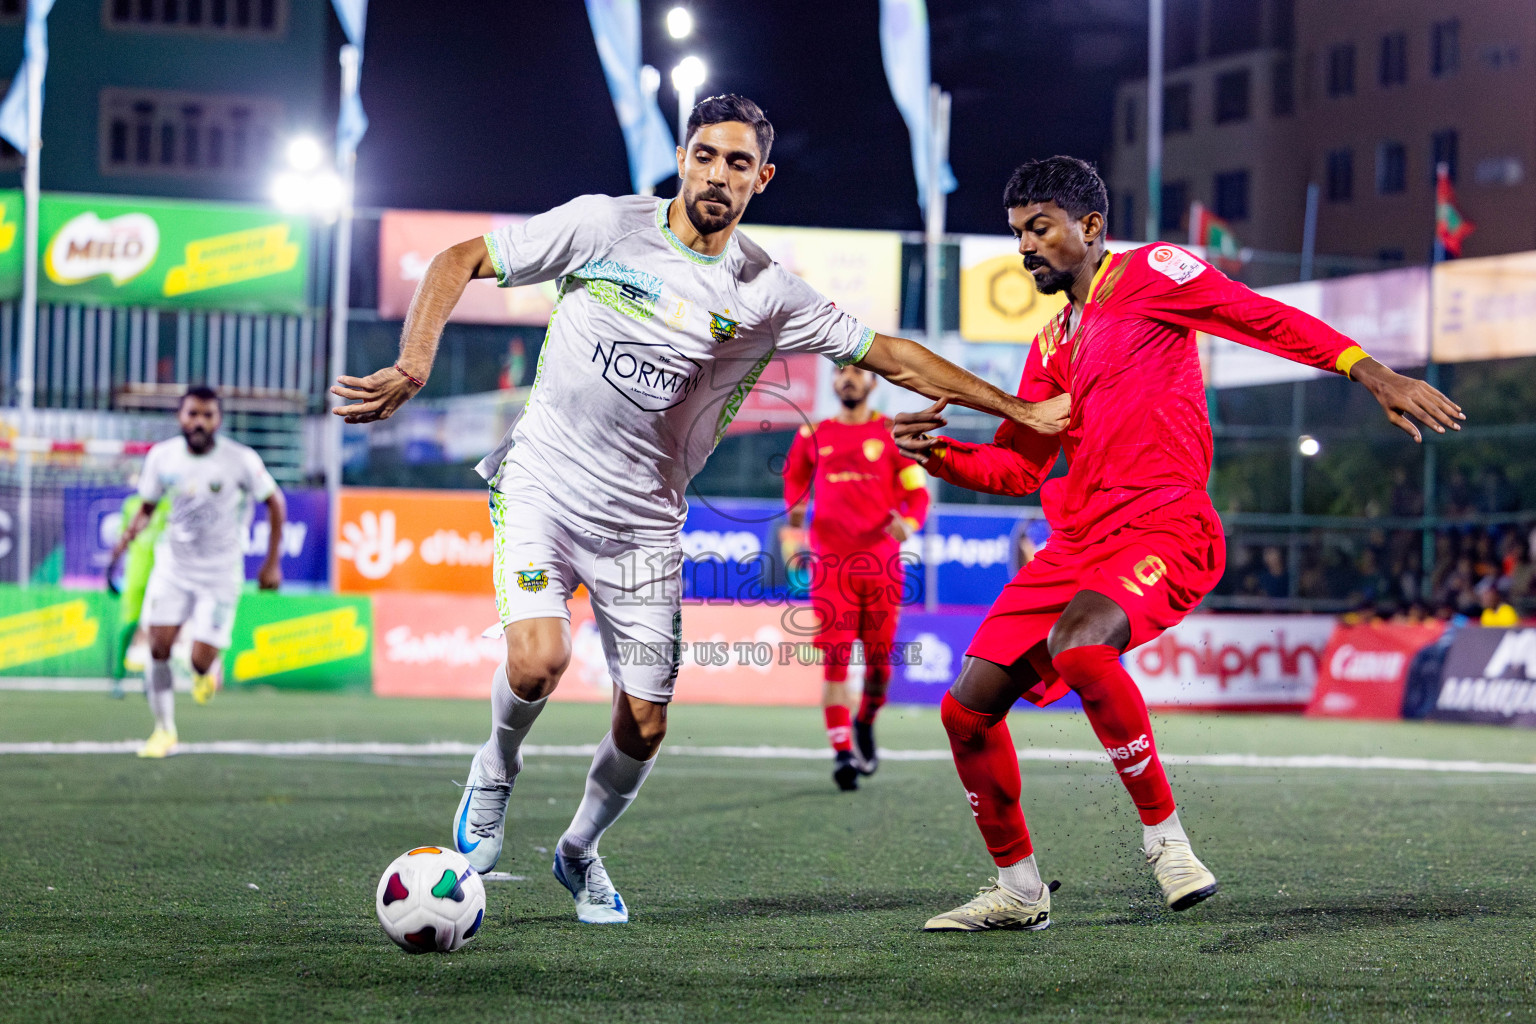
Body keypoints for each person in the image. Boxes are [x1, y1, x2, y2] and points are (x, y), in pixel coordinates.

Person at [331, 95, 1069, 925]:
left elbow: (891, 355)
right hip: (541, 484)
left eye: (739, 163)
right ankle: (493, 775)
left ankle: (579, 851)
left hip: (645, 524)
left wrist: (1016, 408)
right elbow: (459, 258)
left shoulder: (766, 291)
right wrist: (414, 362)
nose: (720, 174)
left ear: (764, 178)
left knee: (644, 724)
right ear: (684, 157)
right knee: (538, 659)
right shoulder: (603, 226)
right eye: (708, 156)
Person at [894, 156, 1463, 932]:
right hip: (1075, 545)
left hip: (1165, 523)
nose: (1025, 248)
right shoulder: (1049, 343)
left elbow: (1260, 316)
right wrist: (937, 456)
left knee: (1082, 648)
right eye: (1018, 233)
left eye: (1040, 228)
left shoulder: (1153, 274)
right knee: (965, 714)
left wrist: (1368, 372)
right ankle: (1019, 889)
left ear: (1090, 228)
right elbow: (1019, 466)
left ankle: (1166, 843)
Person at [110, 386, 286, 758]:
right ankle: (163, 731)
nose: (200, 422)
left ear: (218, 419)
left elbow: (275, 503)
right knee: (158, 646)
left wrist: (272, 563)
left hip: (221, 574)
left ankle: (205, 672)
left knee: (197, 661)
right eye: (193, 414)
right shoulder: (162, 457)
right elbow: (147, 506)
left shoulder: (241, 460)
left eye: (208, 415)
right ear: (180, 417)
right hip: (173, 567)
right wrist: (130, 535)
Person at [781, 364, 929, 790]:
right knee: (836, 663)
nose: (848, 378)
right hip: (830, 566)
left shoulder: (891, 434)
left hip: (881, 564)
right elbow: (794, 476)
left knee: (880, 666)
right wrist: (795, 505)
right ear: (832, 382)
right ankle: (843, 753)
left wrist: (909, 522)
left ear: (872, 383)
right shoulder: (813, 434)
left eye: (857, 372)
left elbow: (916, 494)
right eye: (841, 372)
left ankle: (864, 720)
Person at [106, 490, 169, 697]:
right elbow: (124, 537)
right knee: (128, 628)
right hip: (135, 577)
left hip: (162, 577)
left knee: (156, 632)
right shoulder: (132, 504)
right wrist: (110, 569)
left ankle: (150, 679)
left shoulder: (169, 505)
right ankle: (117, 679)